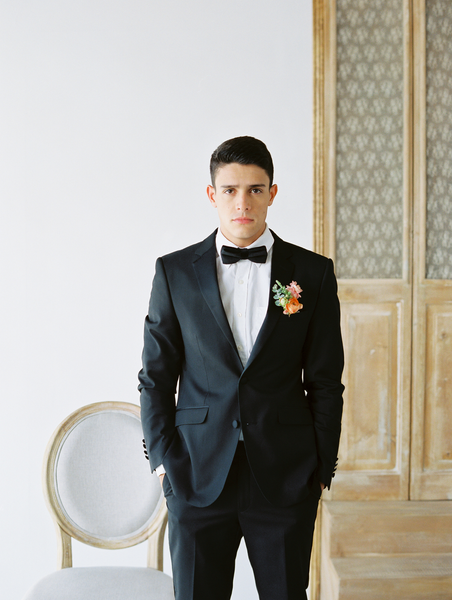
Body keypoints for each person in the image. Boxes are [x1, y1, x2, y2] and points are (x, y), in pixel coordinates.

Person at [138, 136, 344, 600]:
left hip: (286, 475)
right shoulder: (173, 273)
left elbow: (326, 380)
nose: (242, 202)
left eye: (254, 189)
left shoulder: (312, 274)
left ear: (272, 193)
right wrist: (164, 463)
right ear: (212, 195)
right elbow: (155, 377)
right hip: (195, 473)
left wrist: (320, 465)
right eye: (230, 190)